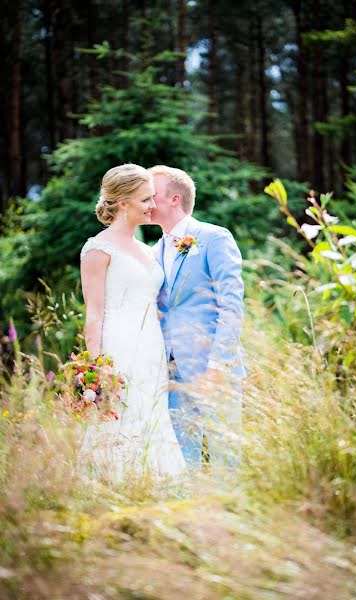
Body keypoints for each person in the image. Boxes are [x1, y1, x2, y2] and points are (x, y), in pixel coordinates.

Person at [79, 163, 187, 483]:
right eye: (145, 200)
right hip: (118, 347)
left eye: (153, 198)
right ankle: (115, 485)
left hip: (152, 347)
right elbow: (94, 315)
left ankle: (158, 484)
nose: (153, 206)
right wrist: (95, 368)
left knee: (153, 415)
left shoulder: (147, 250)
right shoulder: (98, 250)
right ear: (123, 203)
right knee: (122, 417)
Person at [149, 165, 245, 474]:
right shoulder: (151, 253)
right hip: (171, 373)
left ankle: (230, 518)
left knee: (225, 457)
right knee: (180, 459)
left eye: (152, 195)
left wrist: (219, 364)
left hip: (212, 366)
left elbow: (231, 306)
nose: (147, 202)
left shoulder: (213, 238)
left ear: (174, 199)